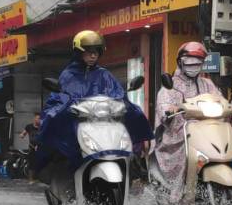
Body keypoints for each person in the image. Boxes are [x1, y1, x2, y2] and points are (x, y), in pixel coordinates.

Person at [36, 30, 152, 180]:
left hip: (104, 121)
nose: (93, 56)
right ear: (79, 53)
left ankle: (136, 159)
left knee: (135, 113)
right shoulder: (68, 75)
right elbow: (59, 98)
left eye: (96, 52)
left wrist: (122, 102)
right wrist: (67, 107)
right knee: (53, 121)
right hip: (78, 122)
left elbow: (117, 94)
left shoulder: (104, 74)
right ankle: (55, 164)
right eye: (89, 52)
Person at [153, 41, 223, 198]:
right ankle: (177, 195)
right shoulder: (171, 85)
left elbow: (220, 100)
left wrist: (231, 107)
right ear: (180, 62)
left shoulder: (207, 83)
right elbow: (164, 106)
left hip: (208, 131)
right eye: (189, 63)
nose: (193, 67)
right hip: (179, 135)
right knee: (188, 150)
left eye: (197, 63)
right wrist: (170, 109)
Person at [19, 113, 41, 182]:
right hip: (31, 147)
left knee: (39, 162)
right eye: (38, 118)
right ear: (34, 119)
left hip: (40, 147)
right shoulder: (29, 126)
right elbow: (23, 133)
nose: (39, 120)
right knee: (31, 163)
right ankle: (30, 179)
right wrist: (22, 135)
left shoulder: (42, 127)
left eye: (40, 119)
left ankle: (38, 178)